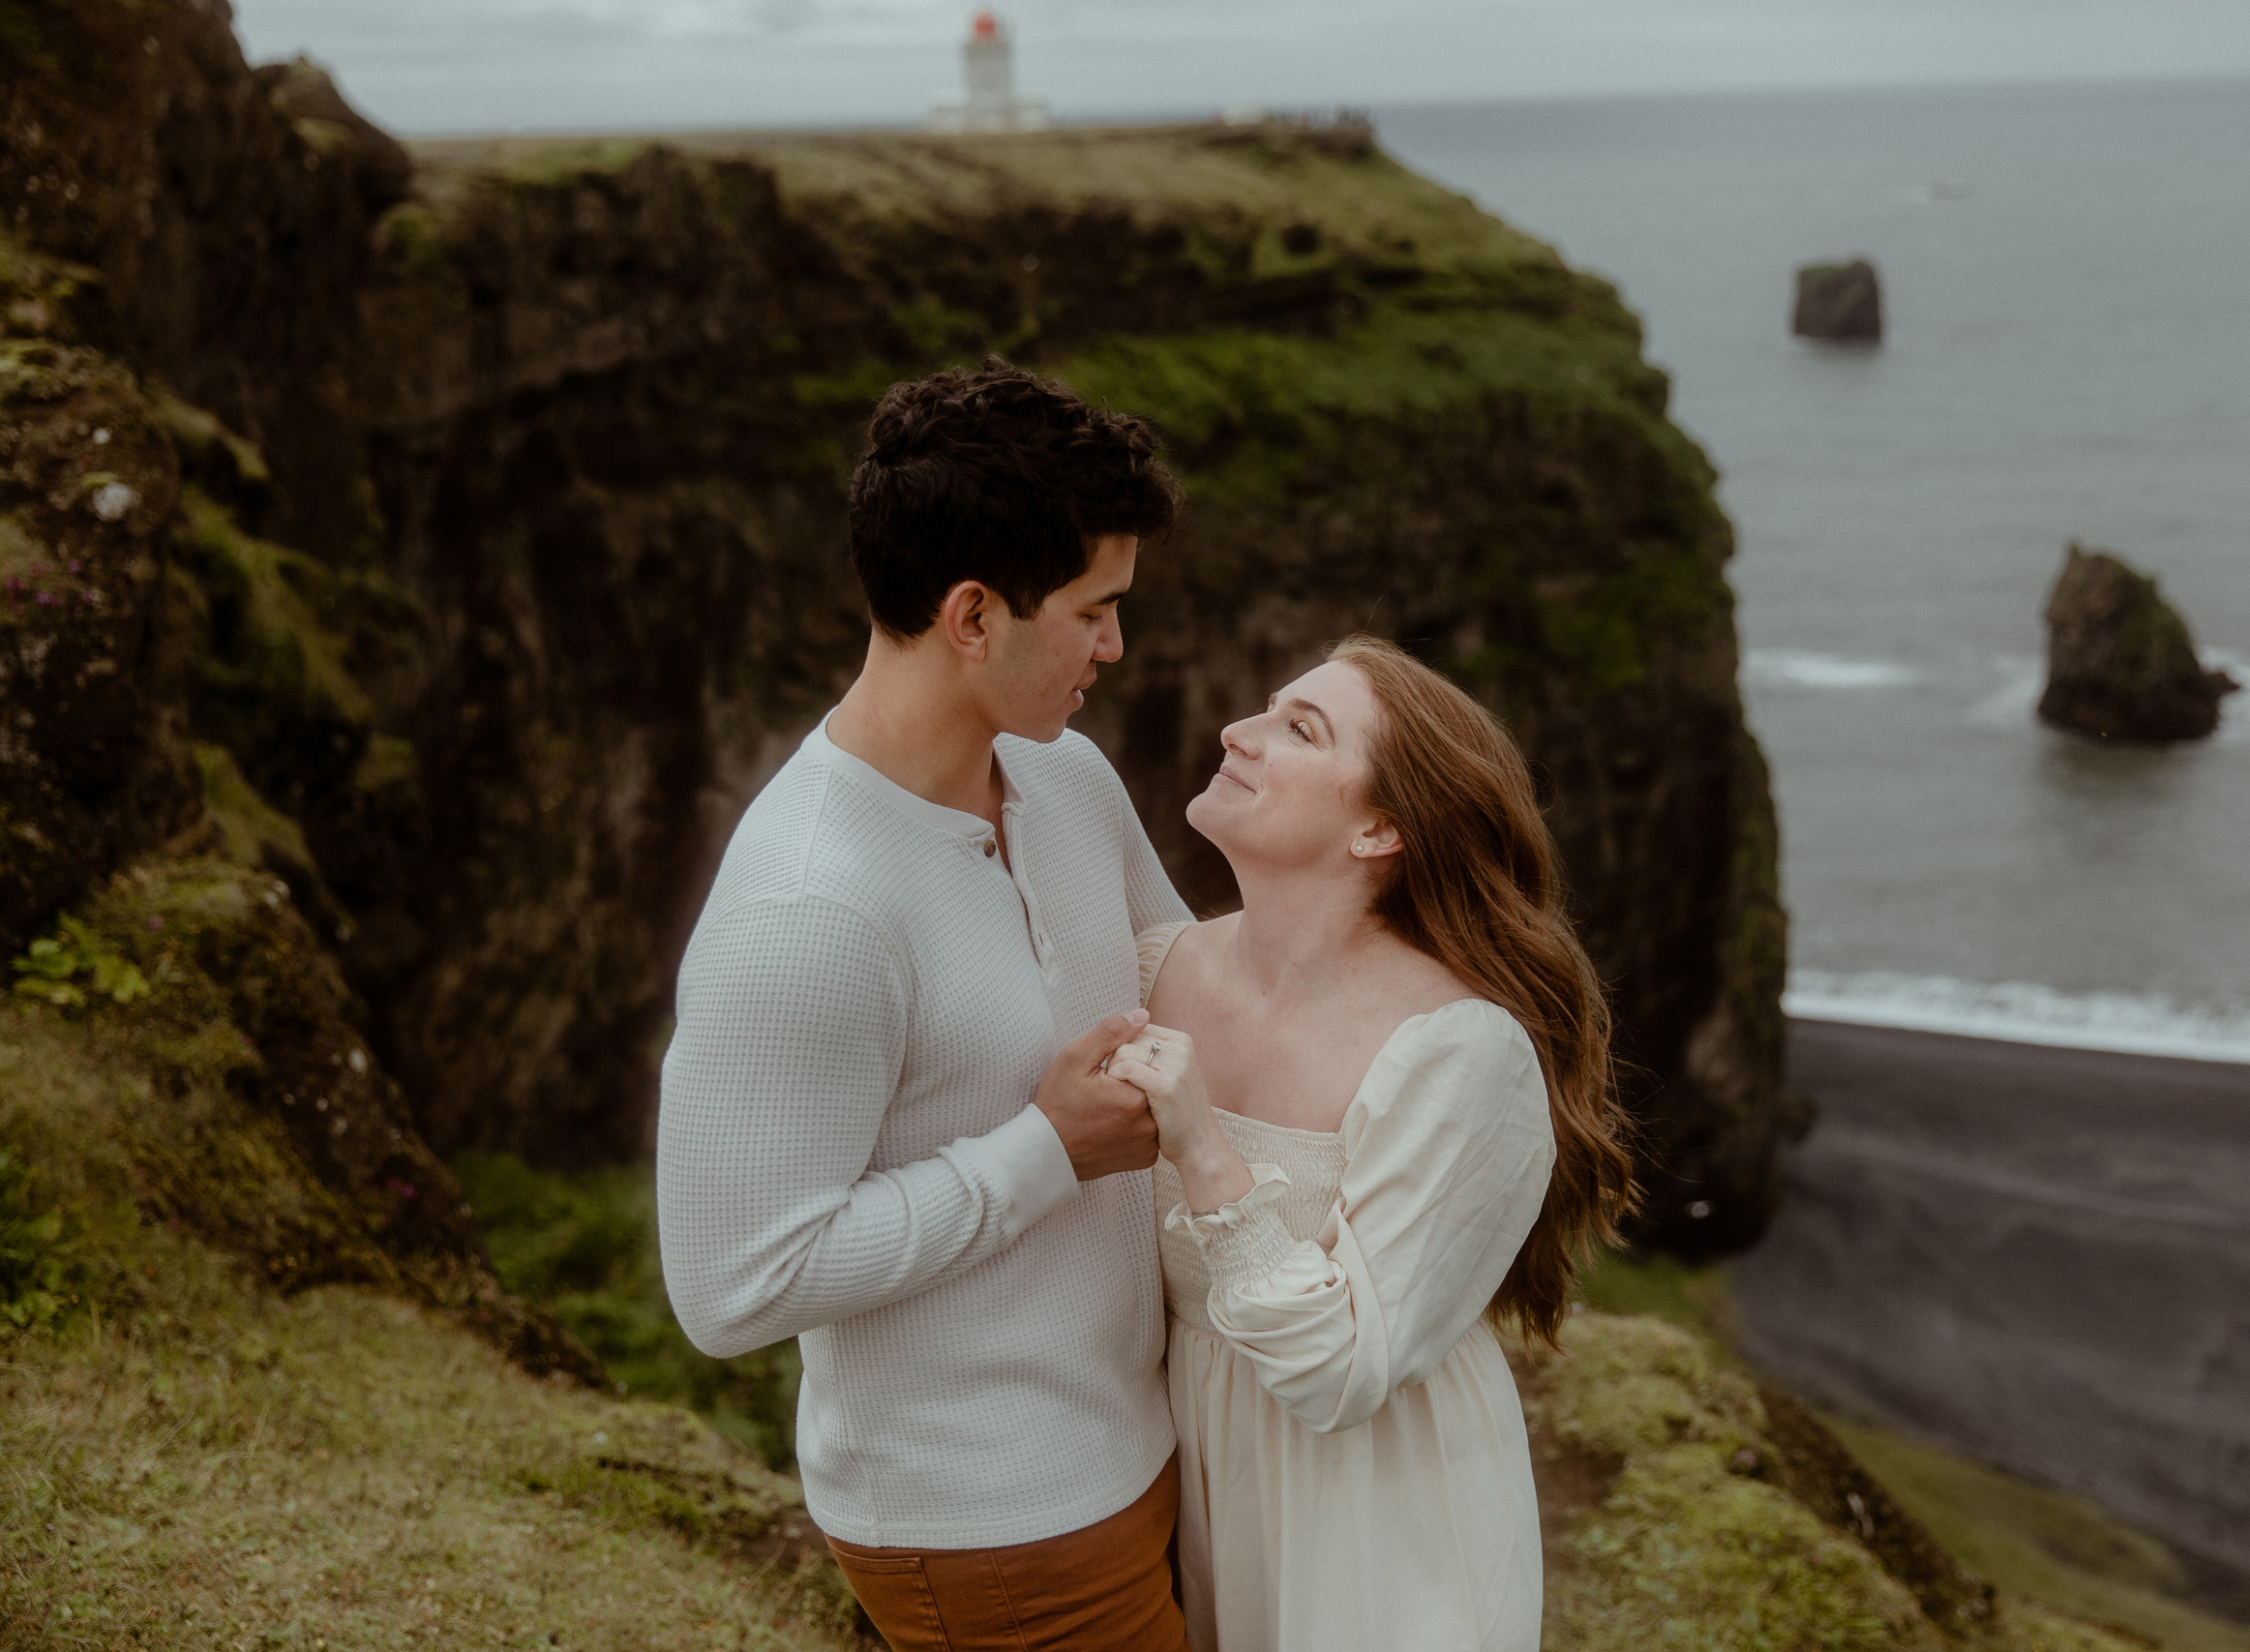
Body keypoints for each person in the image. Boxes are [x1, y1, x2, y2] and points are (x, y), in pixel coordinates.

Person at [656, 360, 1192, 1650]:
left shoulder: (1068, 776)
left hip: (1146, 1433)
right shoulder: (807, 904)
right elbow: (732, 1286)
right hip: (987, 1516)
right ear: (972, 615)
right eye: (1095, 610)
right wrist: (1047, 1149)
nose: (1115, 647)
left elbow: (1177, 971)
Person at [1104, 636, 1635, 1652]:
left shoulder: (1461, 1052)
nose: (1237, 732)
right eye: (1266, 709)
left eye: (1299, 729)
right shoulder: (1150, 969)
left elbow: (1340, 1372)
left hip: (1380, 1521)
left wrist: (1205, 1150)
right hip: (1189, 1486)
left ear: (1380, 828)